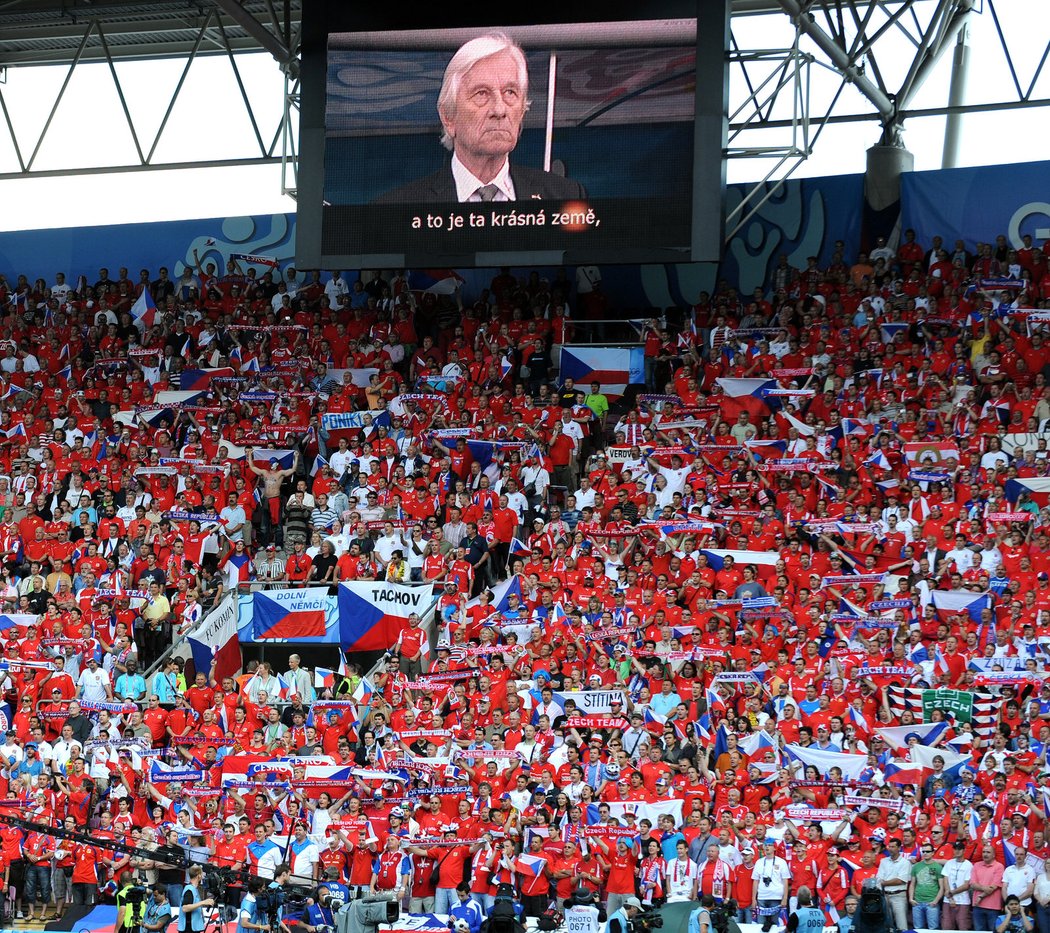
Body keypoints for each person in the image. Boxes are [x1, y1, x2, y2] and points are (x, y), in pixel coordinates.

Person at [375, 33, 586, 204]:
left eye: (510, 92)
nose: (499, 109)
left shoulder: (565, 197)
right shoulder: (397, 209)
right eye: (482, 94)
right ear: (448, 117)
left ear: (522, 110)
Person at [909, 840, 945, 929]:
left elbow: (942, 887)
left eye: (928, 851)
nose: (925, 853)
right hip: (917, 902)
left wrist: (935, 901)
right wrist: (911, 899)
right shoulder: (916, 866)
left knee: (933, 929)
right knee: (918, 929)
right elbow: (912, 884)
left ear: (933, 853)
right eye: (923, 851)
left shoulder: (938, 867)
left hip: (931, 903)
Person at [177, 865, 214, 933]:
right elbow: (185, 908)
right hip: (188, 928)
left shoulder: (193, 888)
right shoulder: (189, 890)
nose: (203, 875)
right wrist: (203, 902)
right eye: (202, 873)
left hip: (192, 927)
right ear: (198, 875)